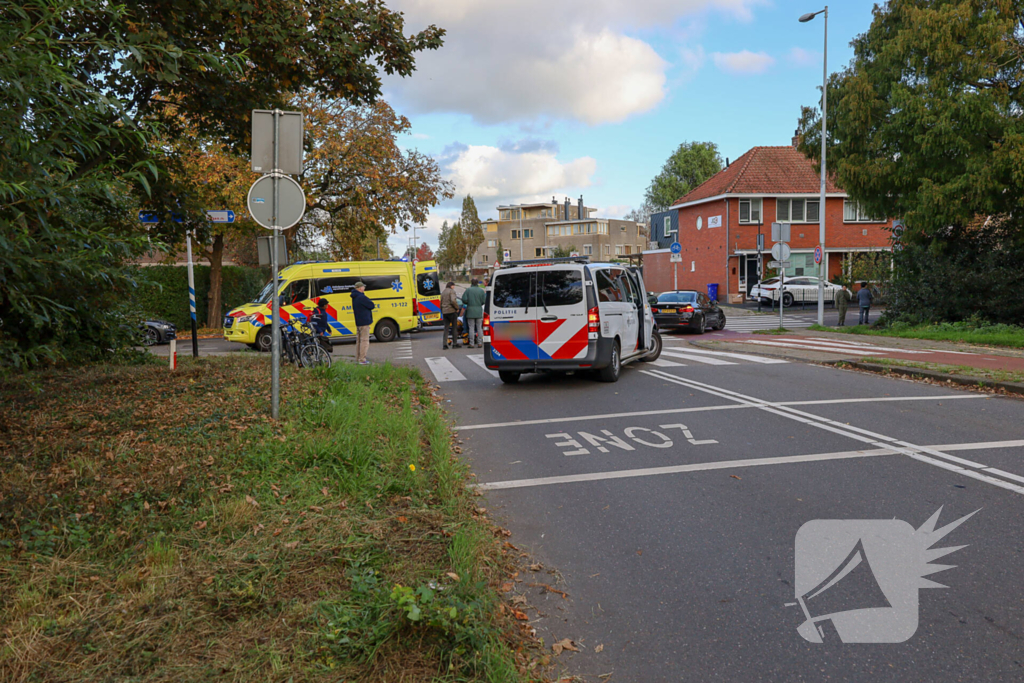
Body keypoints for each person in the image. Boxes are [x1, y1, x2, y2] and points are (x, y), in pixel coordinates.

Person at [351, 282, 375, 364]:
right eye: (363, 287)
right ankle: (362, 359)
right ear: (360, 288)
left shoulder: (354, 297)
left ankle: (358, 358)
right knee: (364, 341)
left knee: (359, 341)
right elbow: (371, 305)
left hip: (358, 321)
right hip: (364, 321)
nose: (364, 288)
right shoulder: (361, 297)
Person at [462, 278, 486, 348]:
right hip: (479, 310)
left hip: (470, 311)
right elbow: (484, 301)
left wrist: (468, 303)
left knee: (471, 327)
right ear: (477, 283)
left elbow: (464, 299)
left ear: (471, 283)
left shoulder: (468, 290)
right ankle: (480, 343)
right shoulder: (481, 291)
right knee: (479, 327)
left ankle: (472, 343)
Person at [440, 281, 460, 349]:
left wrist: (442, 310)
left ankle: (444, 344)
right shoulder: (451, 291)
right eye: (453, 286)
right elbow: (453, 300)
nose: (454, 287)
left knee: (446, 328)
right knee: (454, 328)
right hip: (451, 311)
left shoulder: (443, 292)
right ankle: (455, 344)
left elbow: (441, 302)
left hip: (445, 312)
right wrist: (457, 308)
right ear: (451, 286)